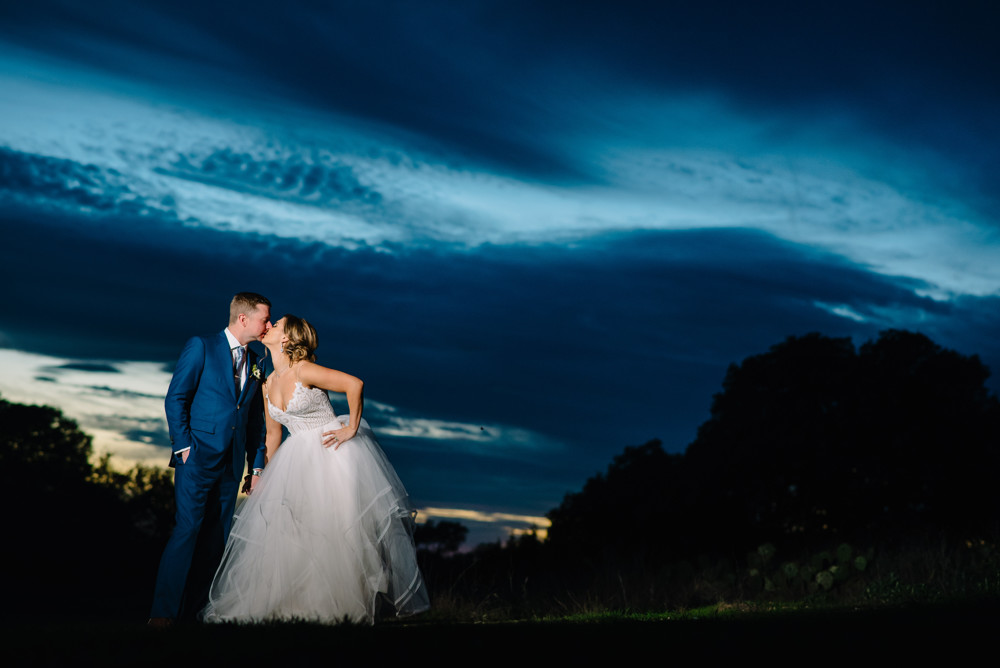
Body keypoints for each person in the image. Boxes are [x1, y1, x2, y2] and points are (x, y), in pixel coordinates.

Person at [201, 314, 429, 624]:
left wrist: (351, 428)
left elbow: (354, 384)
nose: (268, 326)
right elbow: (272, 435)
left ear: (286, 339)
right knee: (298, 531)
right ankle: (303, 604)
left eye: (276, 325)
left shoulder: (304, 369)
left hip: (332, 453)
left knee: (337, 528)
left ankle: (344, 608)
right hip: (295, 459)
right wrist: (259, 473)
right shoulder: (266, 382)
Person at [148, 293, 272, 627]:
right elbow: (176, 397)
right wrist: (184, 445)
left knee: (216, 539)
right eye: (265, 319)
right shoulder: (201, 346)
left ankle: (195, 614)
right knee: (187, 530)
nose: (269, 325)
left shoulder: (259, 358)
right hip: (197, 457)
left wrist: (256, 466)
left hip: (232, 465)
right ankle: (163, 614)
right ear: (243, 319)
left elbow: (256, 420)